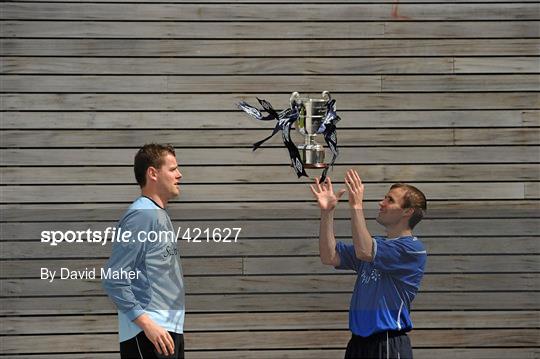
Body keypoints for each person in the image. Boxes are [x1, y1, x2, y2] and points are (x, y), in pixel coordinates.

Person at [310, 169, 427, 359]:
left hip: (387, 342)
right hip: (358, 343)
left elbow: (365, 250)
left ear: (407, 211)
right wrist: (327, 213)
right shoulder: (376, 246)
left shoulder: (412, 249)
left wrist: (356, 205)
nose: (381, 203)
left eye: (390, 200)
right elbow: (329, 256)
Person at [102, 144, 185, 359]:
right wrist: (147, 324)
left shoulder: (157, 214)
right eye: (173, 169)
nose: (180, 174)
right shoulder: (142, 215)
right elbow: (114, 278)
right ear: (153, 173)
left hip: (166, 331)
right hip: (150, 334)